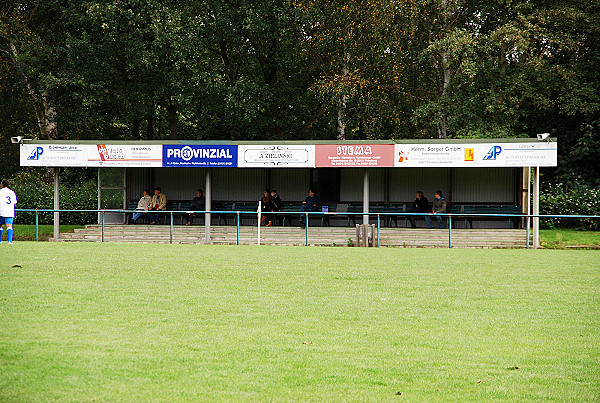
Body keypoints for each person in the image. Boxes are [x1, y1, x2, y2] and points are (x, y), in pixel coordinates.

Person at [0, 179, 17, 245]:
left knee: (0, 226)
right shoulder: (12, 192)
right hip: (9, 212)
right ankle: (10, 241)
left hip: (1, 211)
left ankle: (0, 241)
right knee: (9, 226)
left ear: (2, 185)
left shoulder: (0, 192)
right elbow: (14, 203)